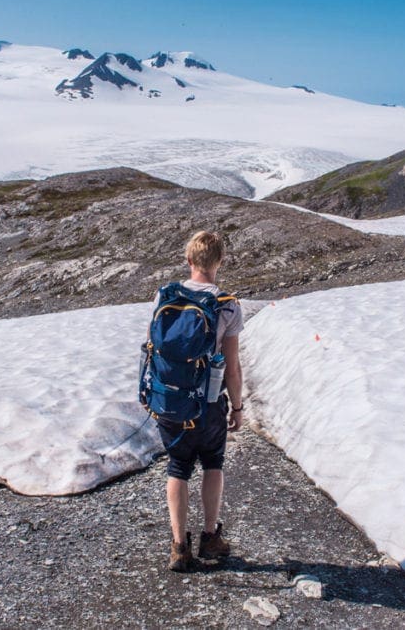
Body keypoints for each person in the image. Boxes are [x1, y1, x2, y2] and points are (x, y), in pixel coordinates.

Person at [157, 231, 244, 572]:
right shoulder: (227, 306)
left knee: (177, 467)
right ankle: (210, 537)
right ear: (219, 261)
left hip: (171, 401)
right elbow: (232, 367)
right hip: (208, 402)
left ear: (188, 261)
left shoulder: (164, 296)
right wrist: (236, 407)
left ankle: (179, 547)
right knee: (212, 463)